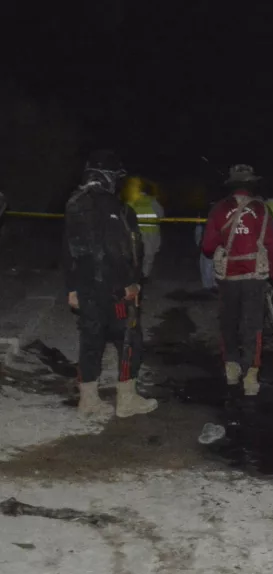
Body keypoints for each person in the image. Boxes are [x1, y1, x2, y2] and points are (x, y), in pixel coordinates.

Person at [63, 149, 158, 419]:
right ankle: (127, 399)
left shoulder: (73, 204)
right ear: (109, 176)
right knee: (129, 339)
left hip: (85, 289)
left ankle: (88, 400)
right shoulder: (117, 208)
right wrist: (131, 284)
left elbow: (67, 251)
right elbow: (122, 251)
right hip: (114, 290)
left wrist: (71, 288)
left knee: (90, 341)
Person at [201, 164, 273, 396]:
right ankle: (251, 377)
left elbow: (206, 247)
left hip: (228, 277)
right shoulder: (263, 209)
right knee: (252, 325)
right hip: (255, 276)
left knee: (228, 322)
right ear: (252, 184)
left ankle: (231, 368)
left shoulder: (218, 209)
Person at [122, 176, 164, 279]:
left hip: (134, 234)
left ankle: (133, 277)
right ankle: (144, 276)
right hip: (151, 234)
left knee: (134, 257)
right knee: (148, 257)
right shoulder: (153, 202)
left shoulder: (130, 202)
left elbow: (123, 217)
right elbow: (161, 215)